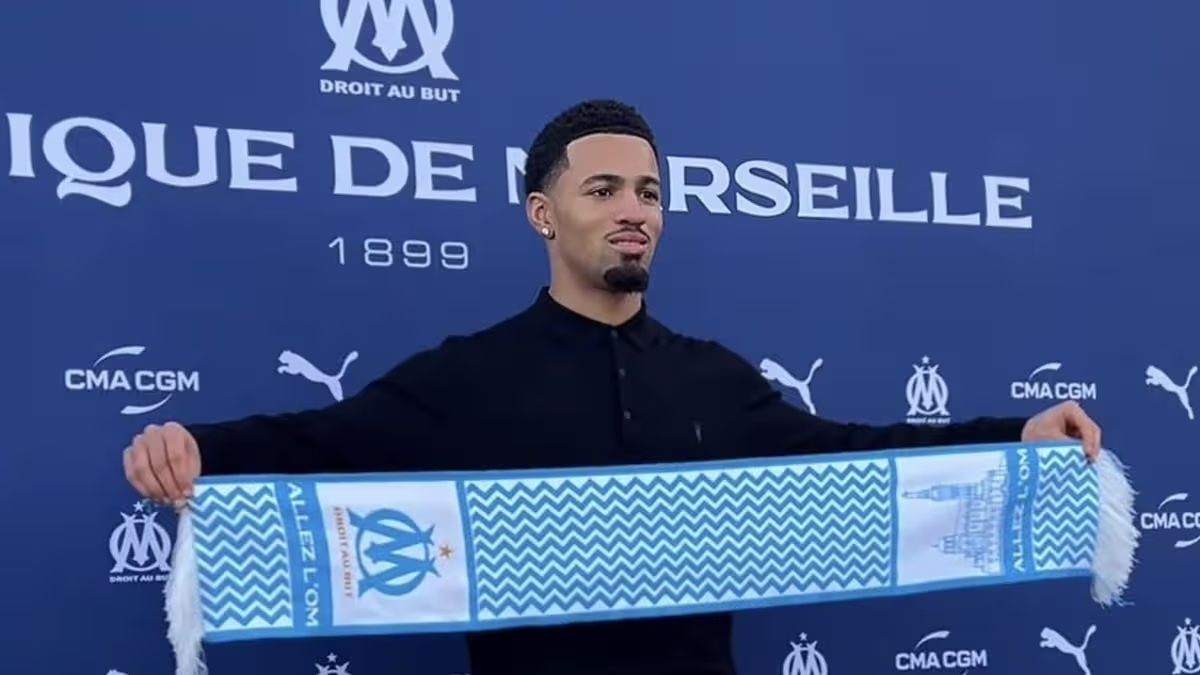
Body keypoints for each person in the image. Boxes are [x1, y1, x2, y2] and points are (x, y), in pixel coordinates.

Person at [123, 99, 1102, 675]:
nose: (634, 211)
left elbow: (854, 457)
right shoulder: (469, 373)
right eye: (603, 191)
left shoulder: (714, 377)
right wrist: (194, 448)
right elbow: (322, 442)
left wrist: (1015, 436)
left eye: (649, 191)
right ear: (543, 215)